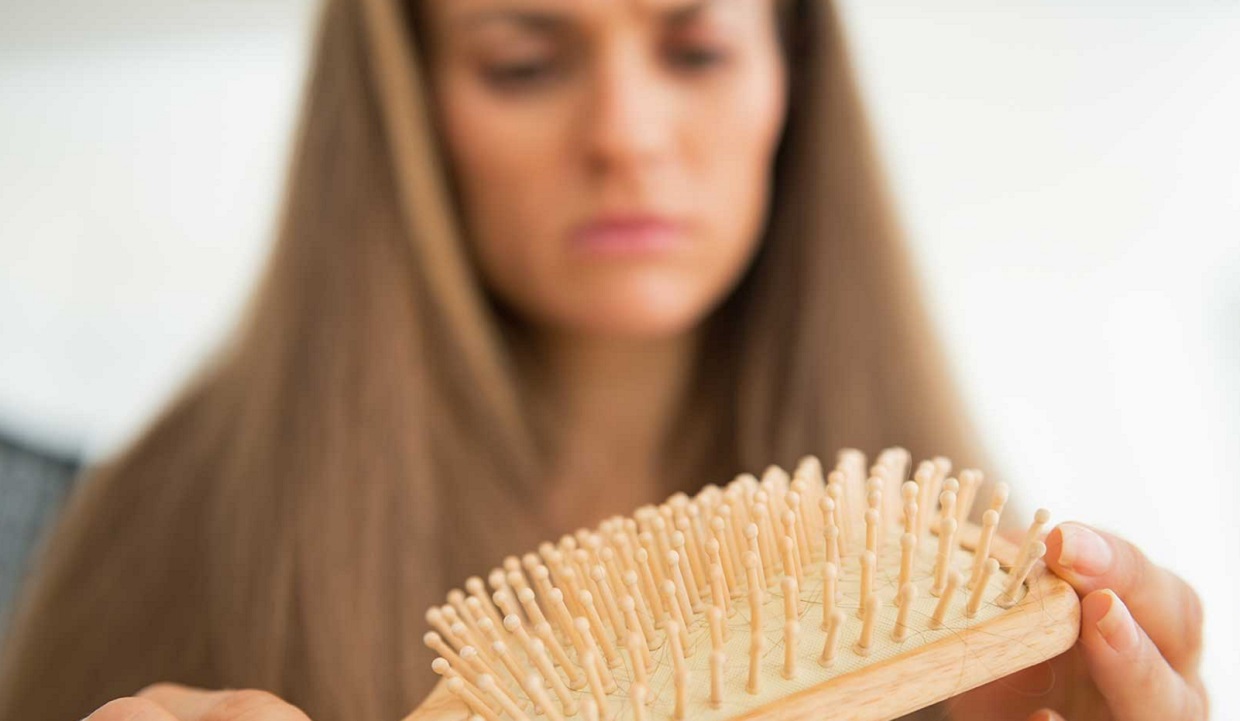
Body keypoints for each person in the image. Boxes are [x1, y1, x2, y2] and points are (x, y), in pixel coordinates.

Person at [0, 0, 1207, 719]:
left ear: (791, 76)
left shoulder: (935, 558)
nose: (626, 135)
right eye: (525, 63)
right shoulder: (170, 513)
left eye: (694, 50)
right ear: (409, 105)